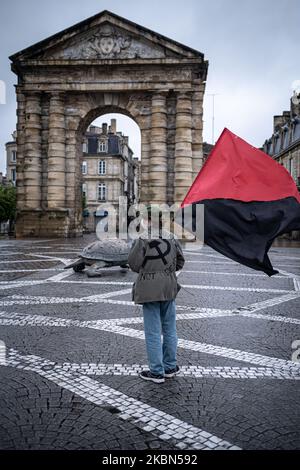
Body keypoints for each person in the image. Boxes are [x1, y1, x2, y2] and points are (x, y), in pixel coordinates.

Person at [128, 208, 185, 384]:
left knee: (152, 331)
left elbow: (134, 264)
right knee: (170, 328)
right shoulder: (171, 237)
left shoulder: (142, 239)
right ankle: (170, 367)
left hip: (149, 289)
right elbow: (181, 261)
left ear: (147, 220)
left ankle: (156, 372)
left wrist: (151, 270)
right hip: (168, 287)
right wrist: (165, 271)